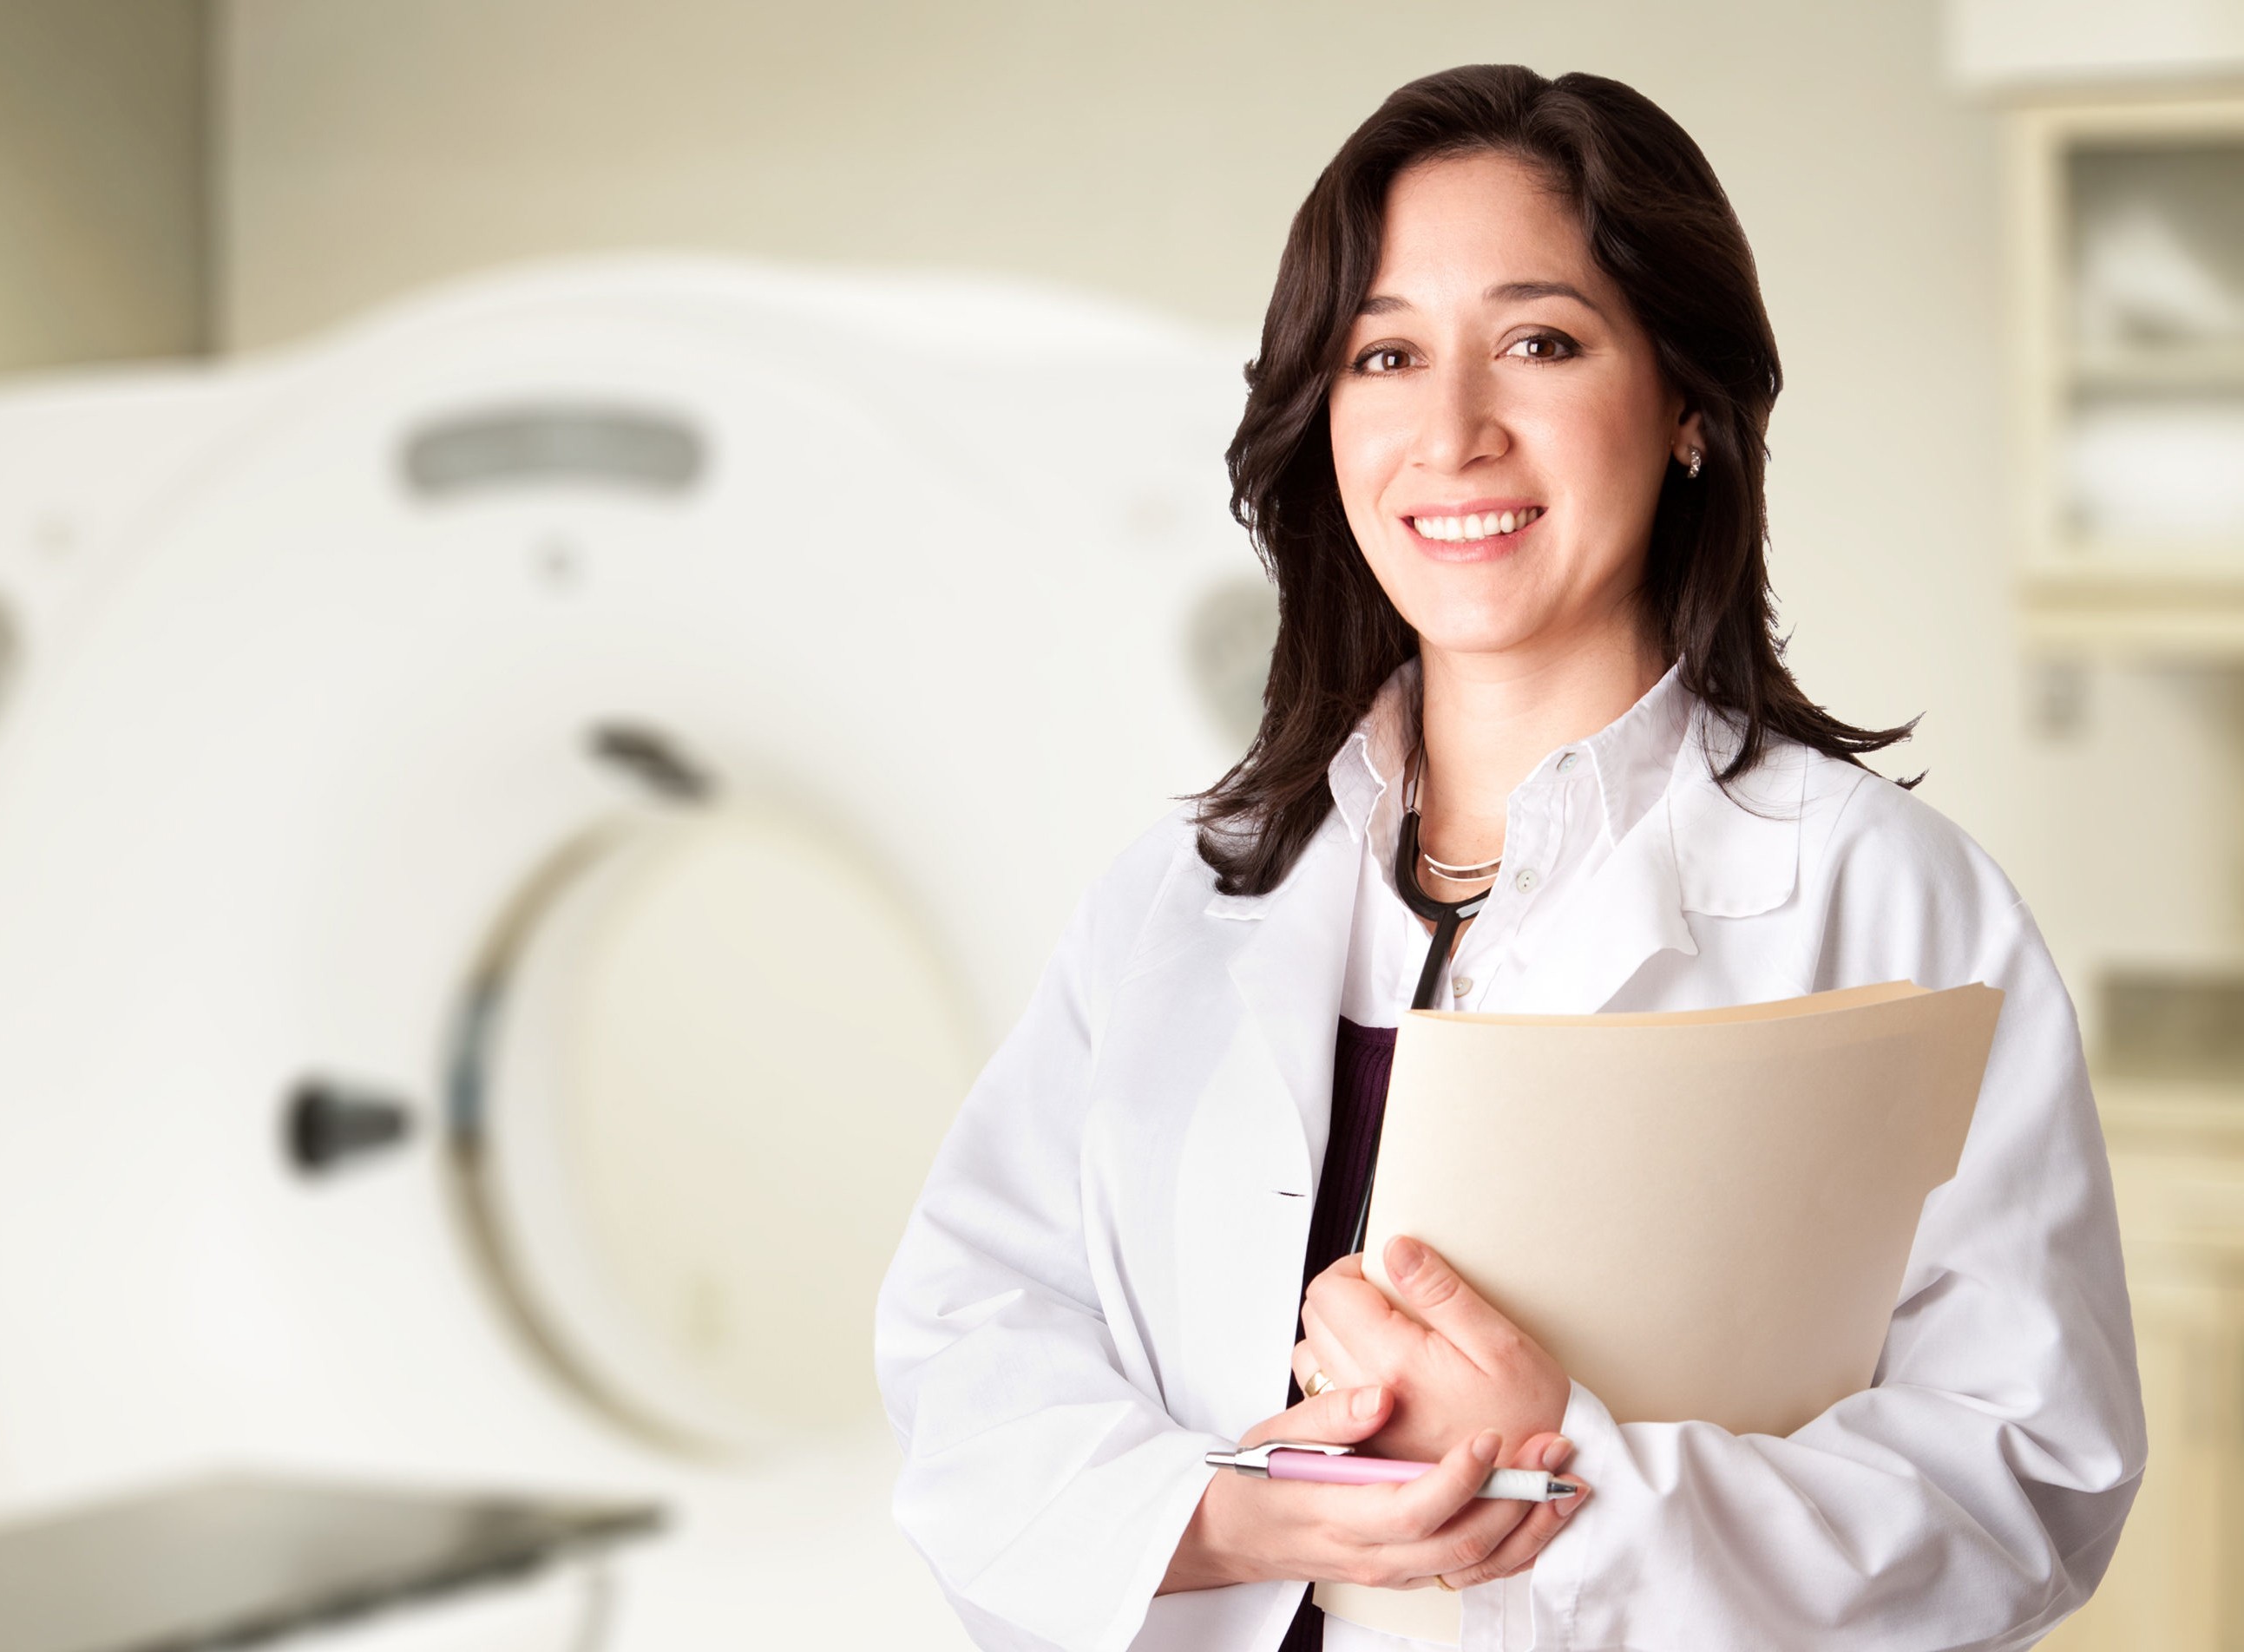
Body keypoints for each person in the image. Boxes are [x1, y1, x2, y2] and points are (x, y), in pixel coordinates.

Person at [873, 64, 2143, 1651]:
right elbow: (970, 1333)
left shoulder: (1889, 898)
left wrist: (1574, 1492)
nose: (1452, 432)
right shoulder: (1189, 893)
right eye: (1384, 354)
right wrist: (1225, 1515)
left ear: (1687, 404)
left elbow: (2025, 1481)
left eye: (1540, 343)